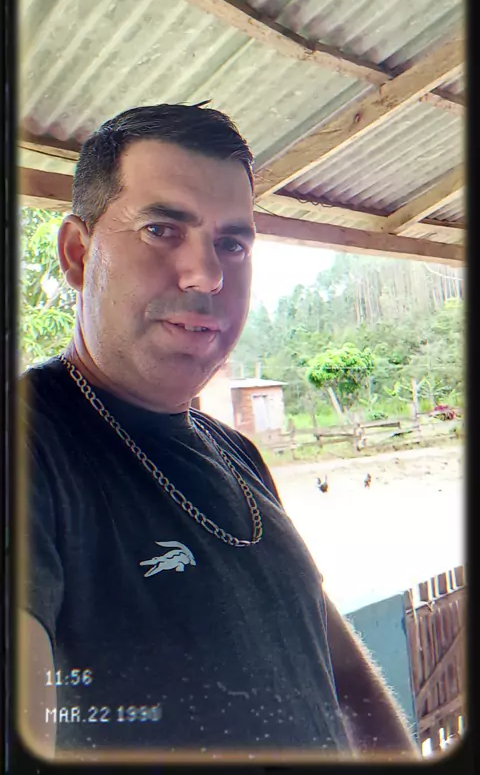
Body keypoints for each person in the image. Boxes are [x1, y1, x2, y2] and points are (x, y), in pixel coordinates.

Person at [17, 103, 418, 763]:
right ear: (78, 254)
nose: (208, 275)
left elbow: (341, 674)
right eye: (160, 230)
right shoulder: (34, 445)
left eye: (232, 244)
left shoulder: (237, 452)